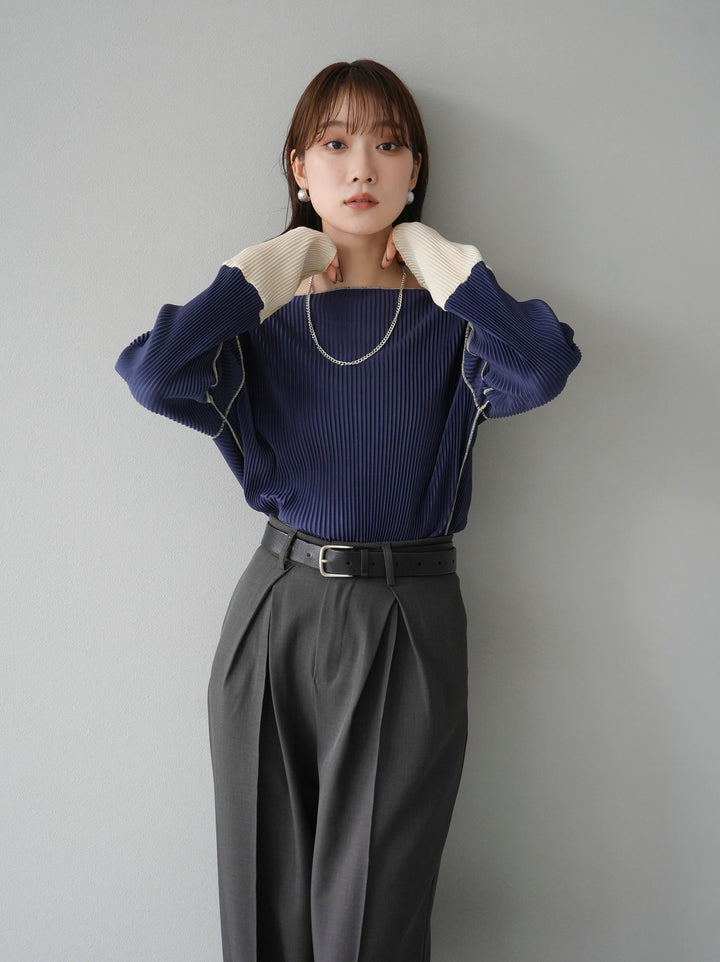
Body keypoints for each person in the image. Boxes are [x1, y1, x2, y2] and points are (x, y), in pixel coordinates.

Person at [116, 59, 580, 962]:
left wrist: (452, 271)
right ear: (299, 167)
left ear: (415, 171)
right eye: (333, 143)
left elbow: (545, 365)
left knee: (370, 926)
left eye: (388, 144)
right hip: (276, 608)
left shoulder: (456, 324)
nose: (361, 166)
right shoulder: (257, 321)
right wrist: (265, 270)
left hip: (409, 611)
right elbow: (152, 374)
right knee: (264, 914)